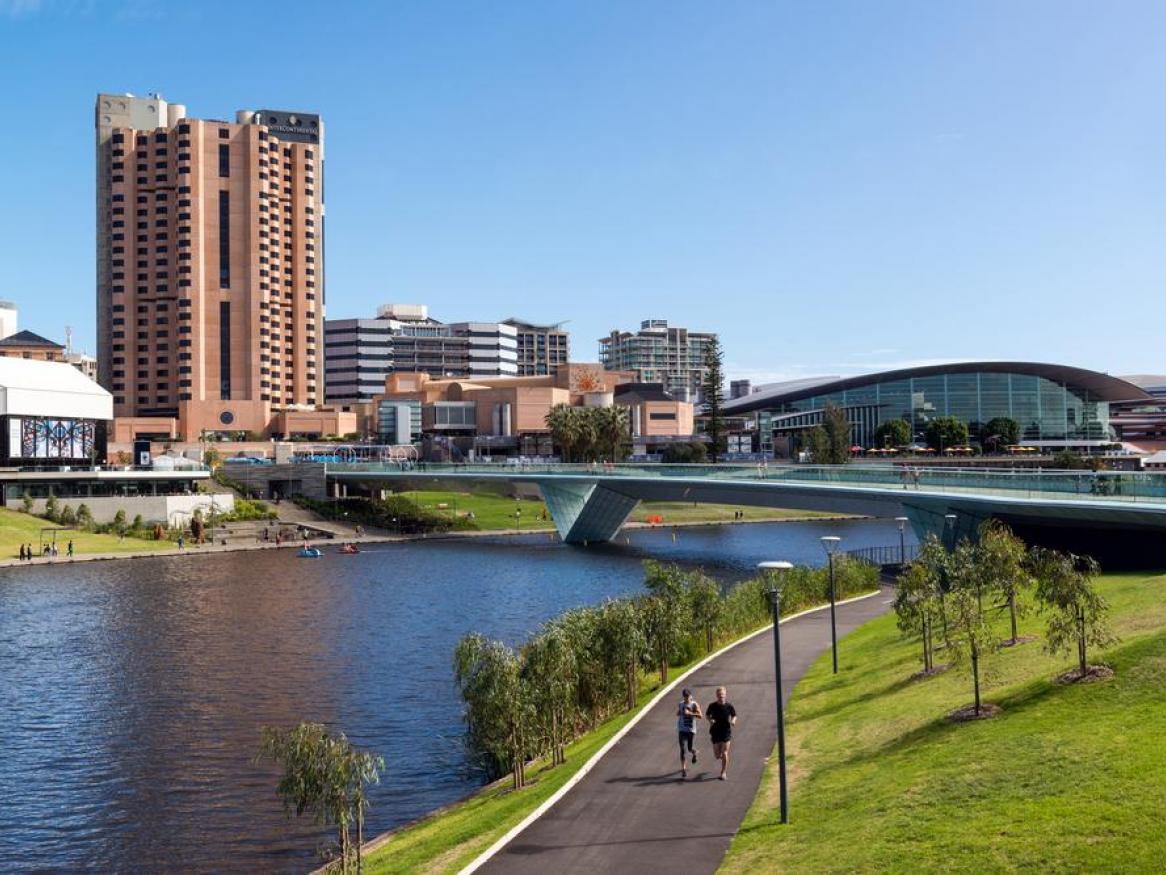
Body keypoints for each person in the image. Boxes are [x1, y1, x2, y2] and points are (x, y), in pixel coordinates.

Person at [706, 686, 737, 781]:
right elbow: (707, 715)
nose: (721, 697)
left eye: (722, 695)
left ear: (725, 695)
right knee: (717, 755)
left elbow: (734, 715)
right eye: (719, 695)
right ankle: (722, 758)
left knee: (725, 753)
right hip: (715, 732)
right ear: (716, 696)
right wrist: (710, 720)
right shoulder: (712, 706)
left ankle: (723, 772)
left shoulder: (729, 706)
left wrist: (733, 721)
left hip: (726, 732)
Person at [676, 688, 703, 778]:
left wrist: (690, 714)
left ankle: (694, 752)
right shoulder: (680, 704)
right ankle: (683, 769)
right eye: (685, 697)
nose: (686, 699)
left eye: (687, 697)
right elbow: (679, 712)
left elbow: (700, 716)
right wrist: (679, 713)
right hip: (682, 729)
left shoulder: (694, 704)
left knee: (689, 748)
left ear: (690, 696)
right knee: (682, 749)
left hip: (691, 730)